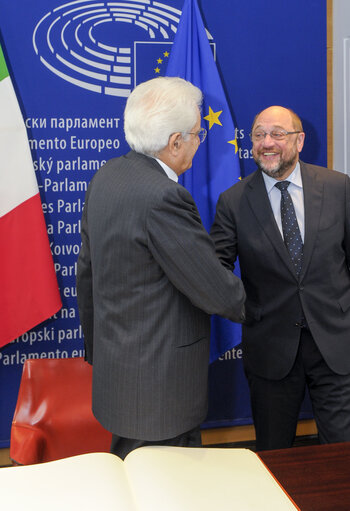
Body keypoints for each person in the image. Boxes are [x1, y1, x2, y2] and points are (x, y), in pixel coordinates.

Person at [76, 76, 246, 459]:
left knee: (132, 482)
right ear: (174, 143)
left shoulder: (106, 176)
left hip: (119, 381)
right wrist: (274, 306)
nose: (199, 143)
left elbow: (86, 274)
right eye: (196, 135)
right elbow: (215, 290)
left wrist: (99, 353)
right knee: (168, 489)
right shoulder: (164, 196)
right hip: (160, 395)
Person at [210, 105, 350, 451]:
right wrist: (250, 310)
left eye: (277, 134)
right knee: (274, 454)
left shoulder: (338, 188)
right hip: (270, 349)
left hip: (336, 345)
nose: (266, 143)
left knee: (342, 453)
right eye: (259, 134)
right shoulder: (234, 201)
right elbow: (216, 271)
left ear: (300, 141)